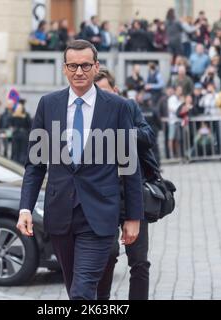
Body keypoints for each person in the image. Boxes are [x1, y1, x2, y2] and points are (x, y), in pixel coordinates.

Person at [17, 40, 143, 300]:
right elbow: (35, 164)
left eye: (85, 65)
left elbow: (130, 165)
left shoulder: (117, 107)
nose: (79, 71)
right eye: (72, 66)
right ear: (64, 68)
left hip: (99, 215)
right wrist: (25, 207)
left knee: (81, 293)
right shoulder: (48, 104)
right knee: (77, 288)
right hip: (60, 214)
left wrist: (133, 217)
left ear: (96, 67)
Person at [93, 68, 159, 300]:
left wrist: (124, 132)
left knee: (139, 262)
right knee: (107, 255)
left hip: (132, 193)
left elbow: (148, 136)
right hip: (103, 196)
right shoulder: (89, 115)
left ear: (115, 91)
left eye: (105, 92)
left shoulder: (129, 107)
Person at [9, 99, 31, 165]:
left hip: (17, 134)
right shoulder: (26, 115)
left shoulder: (13, 115)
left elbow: (11, 125)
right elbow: (30, 125)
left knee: (17, 151)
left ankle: (16, 163)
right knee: (22, 151)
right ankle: (20, 163)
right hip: (22, 135)